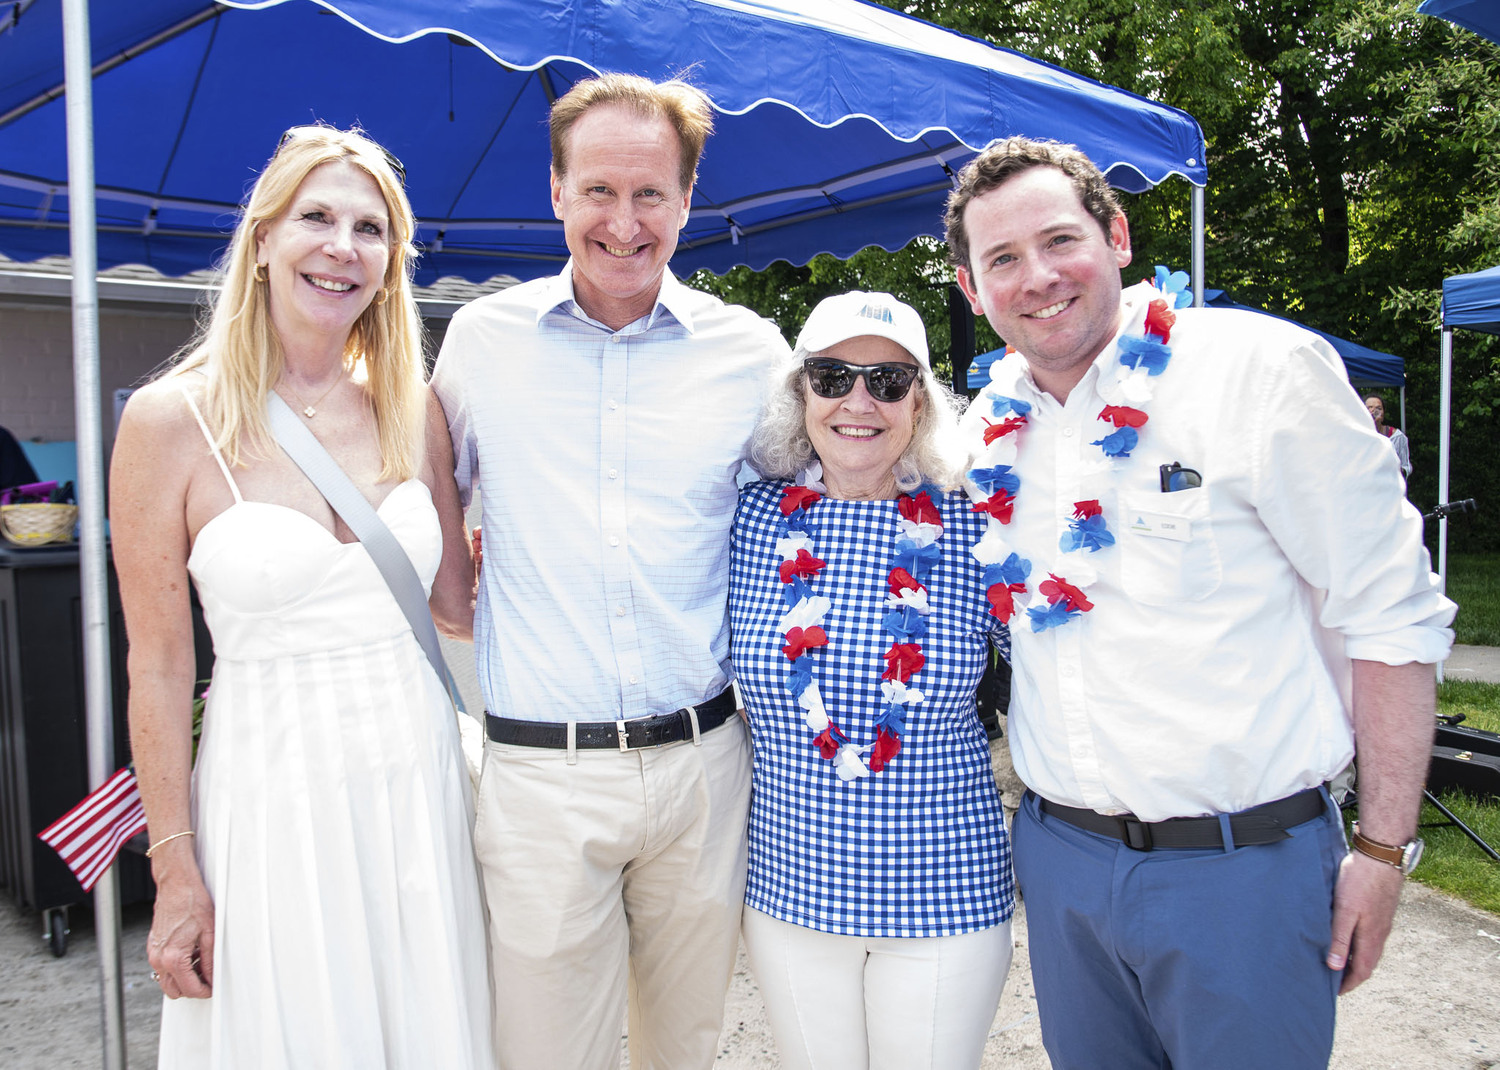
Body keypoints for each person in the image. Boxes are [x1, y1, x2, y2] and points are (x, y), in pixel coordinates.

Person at [945, 137, 1456, 1070]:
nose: (1039, 277)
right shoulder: (988, 428)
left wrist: (1382, 857)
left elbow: (1393, 616)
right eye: (1002, 259)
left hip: (1244, 870)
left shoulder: (1256, 371)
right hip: (1061, 862)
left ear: (1119, 235)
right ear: (975, 291)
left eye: (1061, 239)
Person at [429, 74, 790, 1070]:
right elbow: (413, 506)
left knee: (686, 1048)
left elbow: (807, 513)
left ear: (686, 199)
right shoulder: (482, 343)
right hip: (543, 776)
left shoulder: (751, 350)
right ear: (554, 191)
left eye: (649, 194)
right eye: (597, 190)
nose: (623, 222)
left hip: (705, 769)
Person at [110, 126, 492, 1069]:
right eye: (316, 217)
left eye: (370, 228)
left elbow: (457, 605)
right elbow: (157, 665)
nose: (341, 246)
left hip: (416, 780)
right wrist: (175, 871)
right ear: (263, 241)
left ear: (391, 264)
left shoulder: (416, 408)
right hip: (268, 792)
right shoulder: (169, 421)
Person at [727, 292, 1015, 1070]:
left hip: (944, 888)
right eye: (832, 376)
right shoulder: (749, 522)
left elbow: (1065, 657)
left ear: (920, 402)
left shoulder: (975, 525)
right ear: (800, 393)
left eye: (888, 382)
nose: (859, 401)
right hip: (792, 886)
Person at [1366, 393, 1413, 479]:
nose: (1373, 411)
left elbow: (1406, 467)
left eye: (1378, 408)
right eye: (1369, 408)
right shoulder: (1357, 437)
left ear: (1383, 415)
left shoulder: (1396, 437)